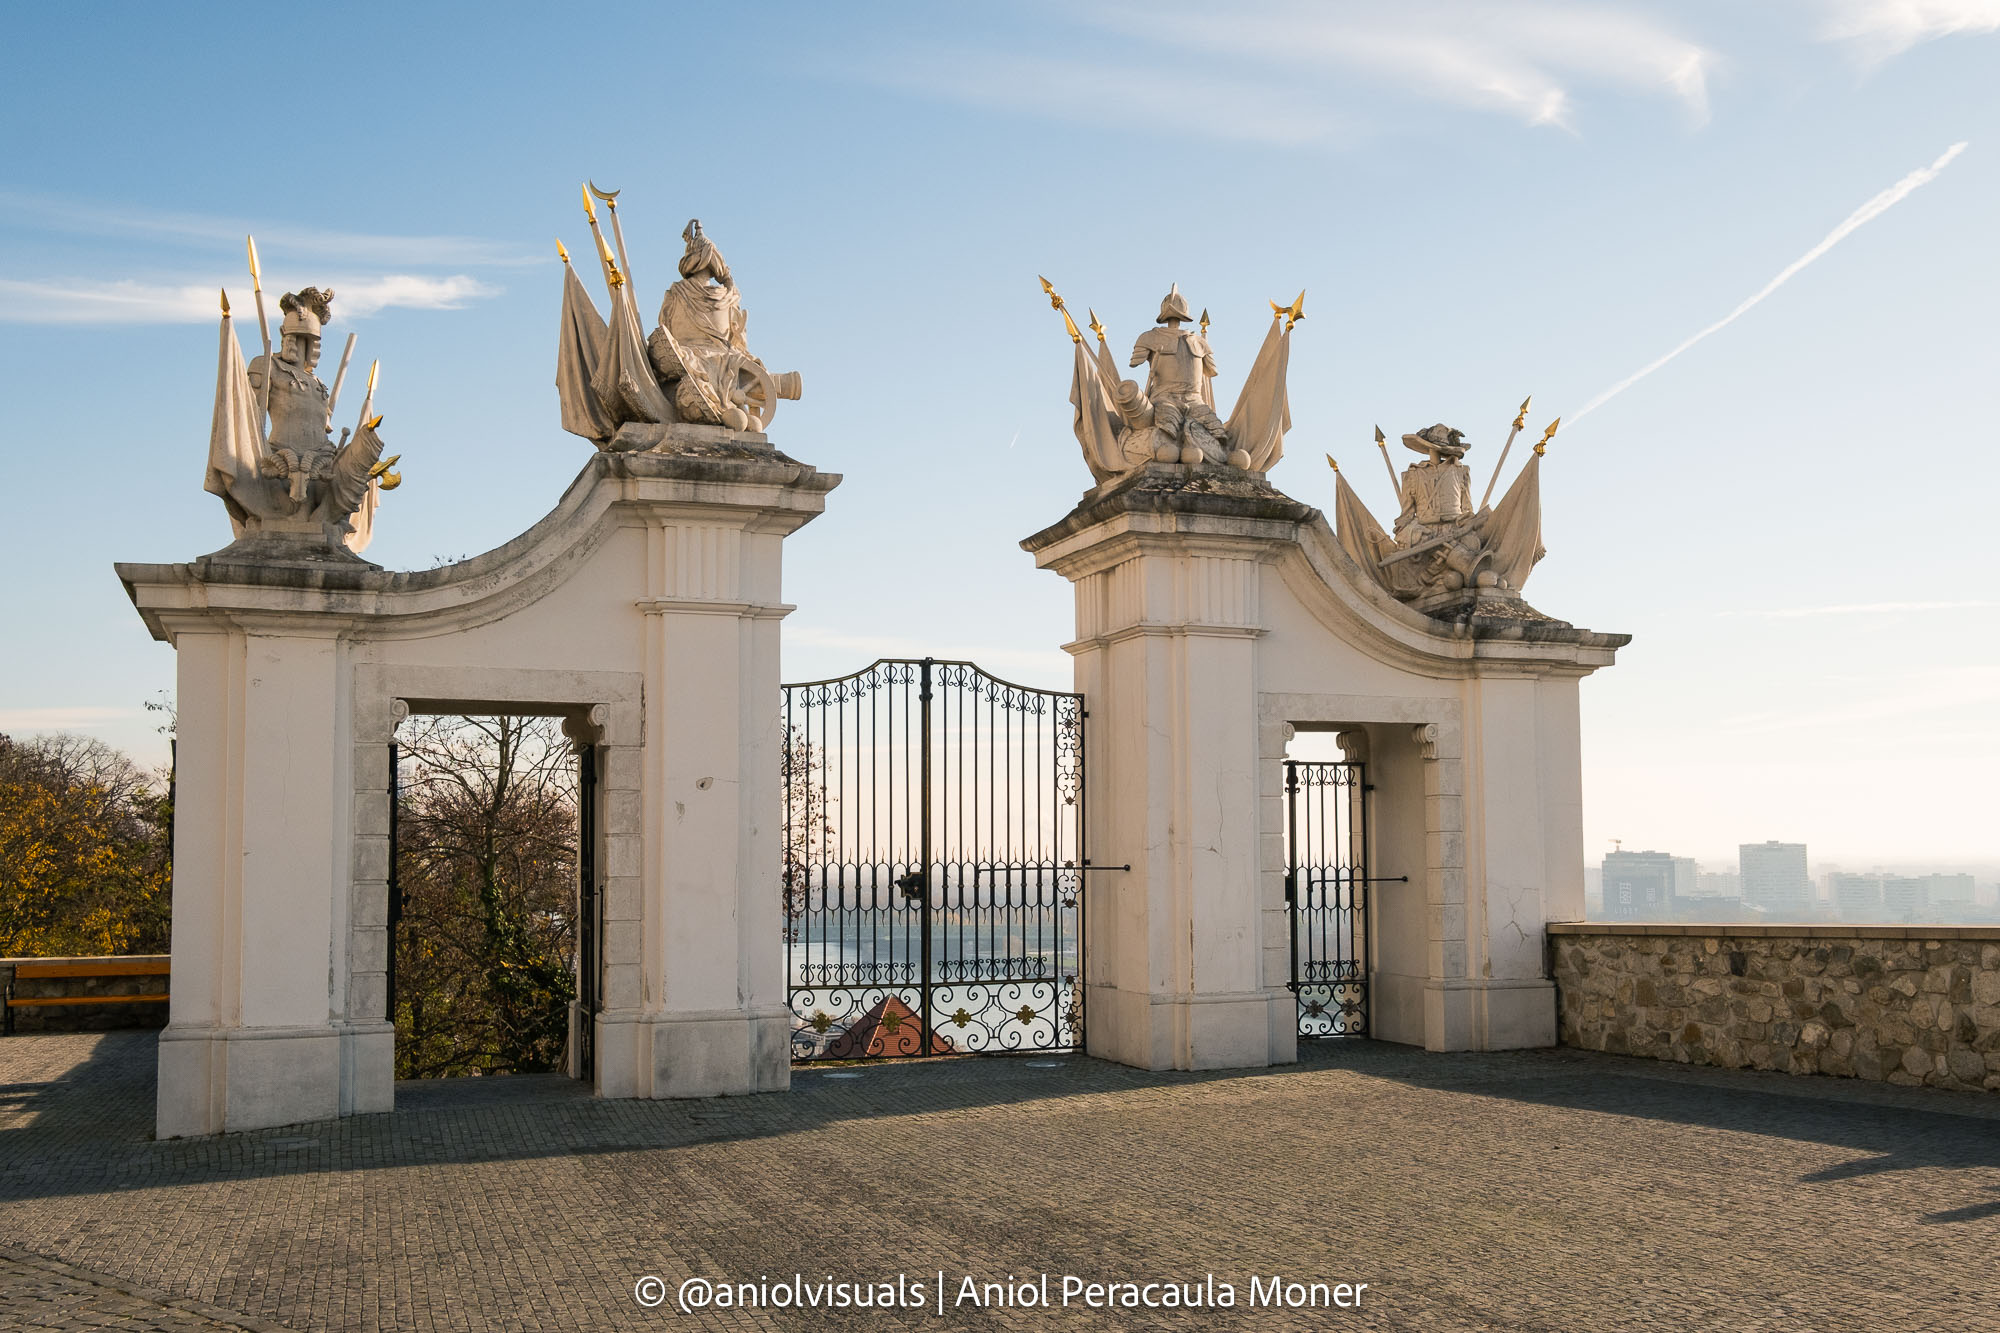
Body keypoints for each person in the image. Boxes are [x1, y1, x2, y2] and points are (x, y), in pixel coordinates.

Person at [1129, 285, 1230, 463]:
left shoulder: (1198, 342)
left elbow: (1211, 371)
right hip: (1164, 399)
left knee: (1218, 435)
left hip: (1194, 400)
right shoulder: (1150, 338)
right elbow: (1212, 371)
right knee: (1167, 431)